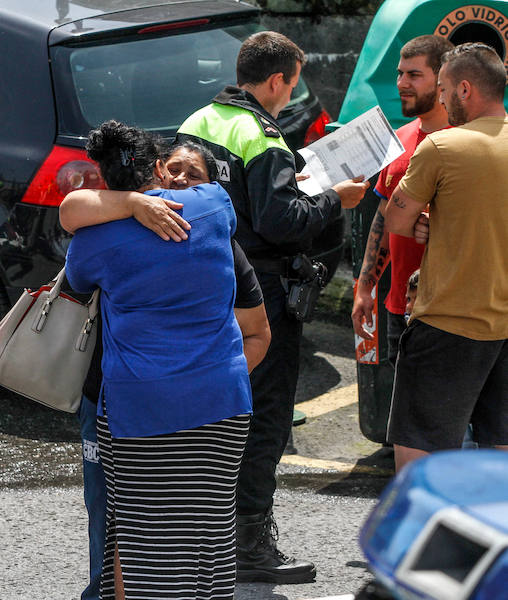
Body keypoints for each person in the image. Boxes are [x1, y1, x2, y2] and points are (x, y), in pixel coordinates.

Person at [175, 31, 369, 583]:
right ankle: (252, 549)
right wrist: (336, 198)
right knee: (263, 419)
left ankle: (206, 537)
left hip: (205, 283)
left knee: (217, 415)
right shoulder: (262, 135)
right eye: (291, 84)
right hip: (260, 295)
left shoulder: (197, 121)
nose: (290, 95)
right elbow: (282, 222)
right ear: (278, 80)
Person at [64, 120, 266, 600]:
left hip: (144, 411)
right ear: (157, 168)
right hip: (223, 403)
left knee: (146, 545)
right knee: (210, 541)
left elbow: (72, 232)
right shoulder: (214, 204)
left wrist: (125, 205)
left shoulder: (94, 242)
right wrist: (139, 201)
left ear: (105, 182)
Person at [384, 42, 508, 470]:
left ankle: (422, 539)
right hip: (505, 328)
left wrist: (430, 214)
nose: (439, 97)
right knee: (501, 464)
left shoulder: (442, 146)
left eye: (443, 88)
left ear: (465, 90)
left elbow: (396, 221)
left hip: (448, 323)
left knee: (419, 464)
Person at [352, 35, 454, 364]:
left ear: (442, 81)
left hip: (455, 313)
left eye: (413, 75)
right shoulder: (401, 138)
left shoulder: (468, 141)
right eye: (399, 73)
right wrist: (365, 289)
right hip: (402, 310)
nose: (401, 84)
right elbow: (382, 220)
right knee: (407, 412)